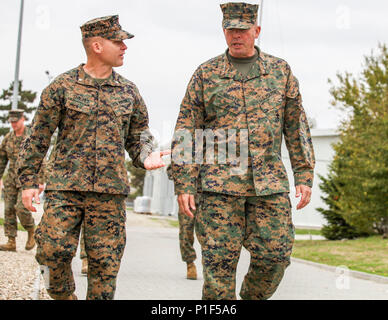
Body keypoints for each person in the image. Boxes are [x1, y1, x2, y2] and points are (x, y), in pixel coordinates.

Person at [170, 2, 315, 300]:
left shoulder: (280, 71)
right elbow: (187, 130)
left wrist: (304, 173)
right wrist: (184, 182)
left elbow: (296, 126)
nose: (236, 35)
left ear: (256, 31)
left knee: (275, 257)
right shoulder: (206, 74)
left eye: (243, 30)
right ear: (223, 32)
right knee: (218, 276)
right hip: (218, 189)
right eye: (230, 29)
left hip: (269, 187)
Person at [17, 15, 168, 300]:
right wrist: (27, 182)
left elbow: (139, 136)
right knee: (50, 252)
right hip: (66, 189)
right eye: (118, 41)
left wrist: (146, 156)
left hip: (109, 194)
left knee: (104, 266)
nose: (125, 47)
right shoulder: (62, 87)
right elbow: (37, 138)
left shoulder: (129, 92)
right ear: (96, 45)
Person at [0, 110, 43, 252]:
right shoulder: (8, 138)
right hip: (11, 178)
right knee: (8, 209)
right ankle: (11, 240)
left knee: (21, 208)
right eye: (11, 121)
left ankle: (31, 230)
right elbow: (2, 160)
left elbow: (40, 158)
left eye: (15, 121)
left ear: (22, 119)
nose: (13, 124)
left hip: (27, 179)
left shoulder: (31, 136)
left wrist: (40, 180)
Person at [167, 164, 197, 280]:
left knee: (211, 234)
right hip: (188, 199)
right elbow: (171, 169)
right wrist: (183, 184)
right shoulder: (188, 150)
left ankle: (211, 266)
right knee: (186, 232)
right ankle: (190, 263)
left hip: (210, 197)